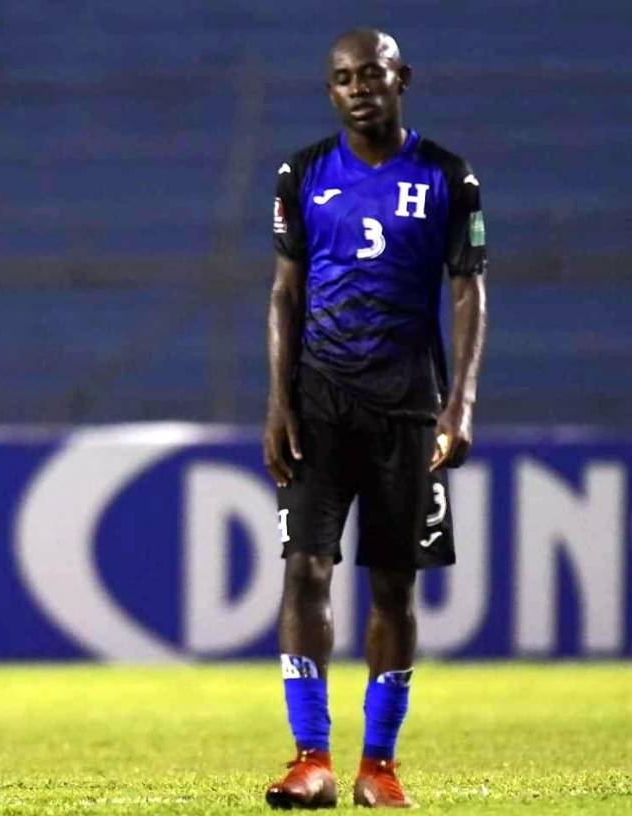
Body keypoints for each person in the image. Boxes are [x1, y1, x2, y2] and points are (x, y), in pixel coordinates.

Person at [262, 28, 487, 809]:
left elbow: (468, 292)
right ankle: (311, 758)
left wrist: (458, 405)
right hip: (321, 405)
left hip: (409, 409)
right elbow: (286, 292)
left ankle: (379, 766)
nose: (359, 87)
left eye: (373, 74)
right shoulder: (303, 173)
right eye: (344, 78)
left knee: (394, 588)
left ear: (402, 79)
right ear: (331, 90)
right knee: (306, 571)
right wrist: (278, 402)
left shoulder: (448, 178)